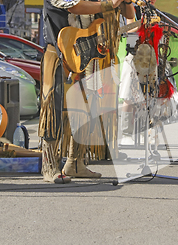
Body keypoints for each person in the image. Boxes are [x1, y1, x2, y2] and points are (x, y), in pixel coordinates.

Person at [40, 0, 134, 183]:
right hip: (61, 55)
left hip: (89, 57)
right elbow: (73, 6)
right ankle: (49, 166)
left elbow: (129, 15)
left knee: (85, 109)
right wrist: (108, 5)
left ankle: (75, 163)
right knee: (54, 109)